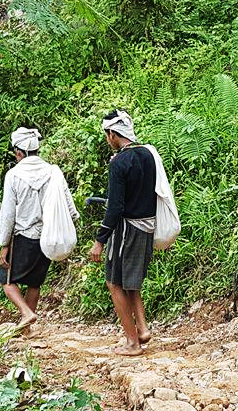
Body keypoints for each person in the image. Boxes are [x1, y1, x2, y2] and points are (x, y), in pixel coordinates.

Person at [89, 110, 157, 356]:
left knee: (114, 282)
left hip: (127, 229)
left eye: (107, 135)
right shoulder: (148, 154)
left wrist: (100, 240)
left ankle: (131, 342)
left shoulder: (119, 162)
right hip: (147, 226)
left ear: (112, 134)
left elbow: (116, 207)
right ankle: (142, 329)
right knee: (132, 282)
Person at [0, 127, 76, 329]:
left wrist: (4, 244)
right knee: (34, 283)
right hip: (48, 235)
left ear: (18, 152)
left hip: (24, 236)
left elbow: (8, 214)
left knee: (6, 280)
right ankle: (27, 328)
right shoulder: (52, 171)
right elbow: (69, 206)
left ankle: (25, 314)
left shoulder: (13, 175)